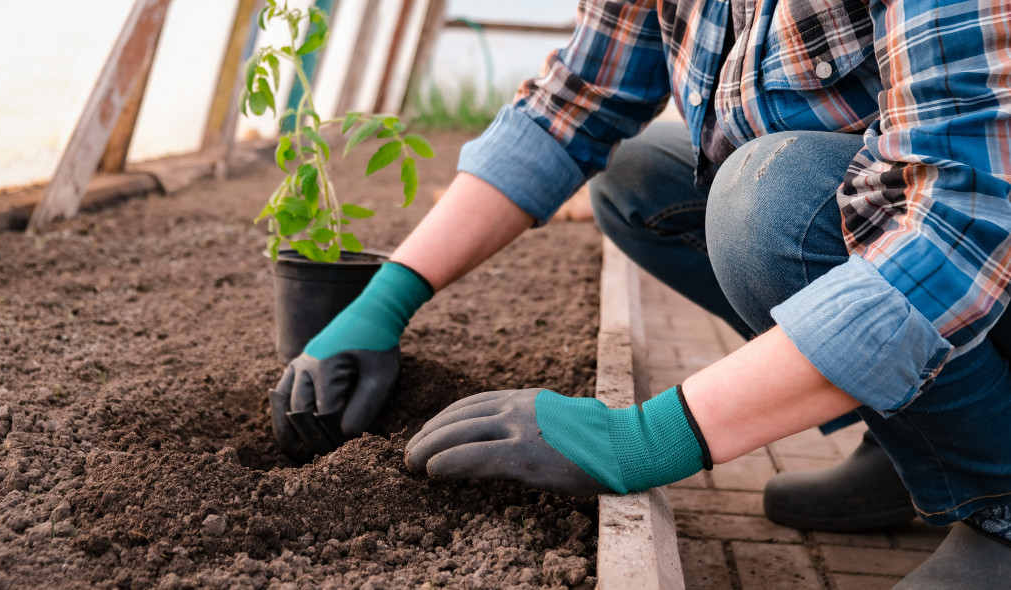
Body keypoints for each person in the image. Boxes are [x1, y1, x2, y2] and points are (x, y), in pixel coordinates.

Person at [271, 0, 1011, 586]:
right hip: (923, 255)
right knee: (641, 182)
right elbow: (574, 104)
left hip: (984, 252)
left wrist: (646, 439)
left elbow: (956, 237)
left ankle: (998, 506)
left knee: (768, 201)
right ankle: (919, 445)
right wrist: (382, 303)